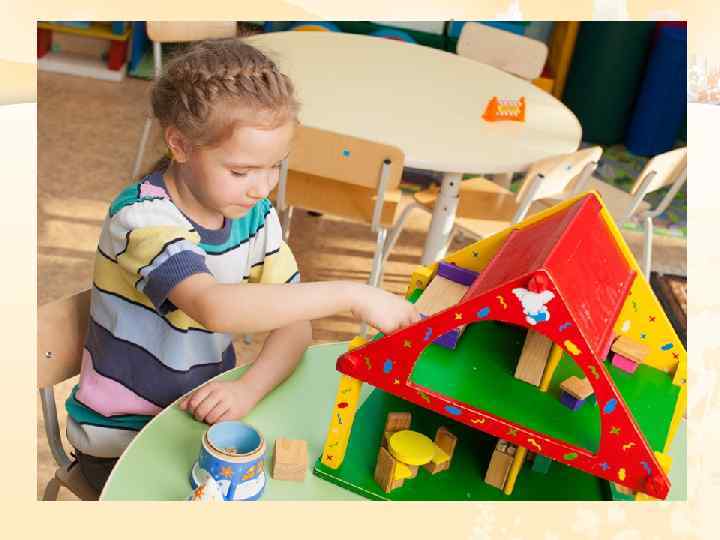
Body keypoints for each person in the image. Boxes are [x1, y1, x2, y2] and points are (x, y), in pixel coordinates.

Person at [64, 38, 420, 494]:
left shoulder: (253, 215)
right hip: (120, 438)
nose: (261, 187)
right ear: (180, 144)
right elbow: (214, 307)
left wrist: (248, 388)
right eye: (241, 171)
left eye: (275, 167)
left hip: (199, 416)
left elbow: (295, 323)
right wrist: (352, 294)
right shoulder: (140, 219)